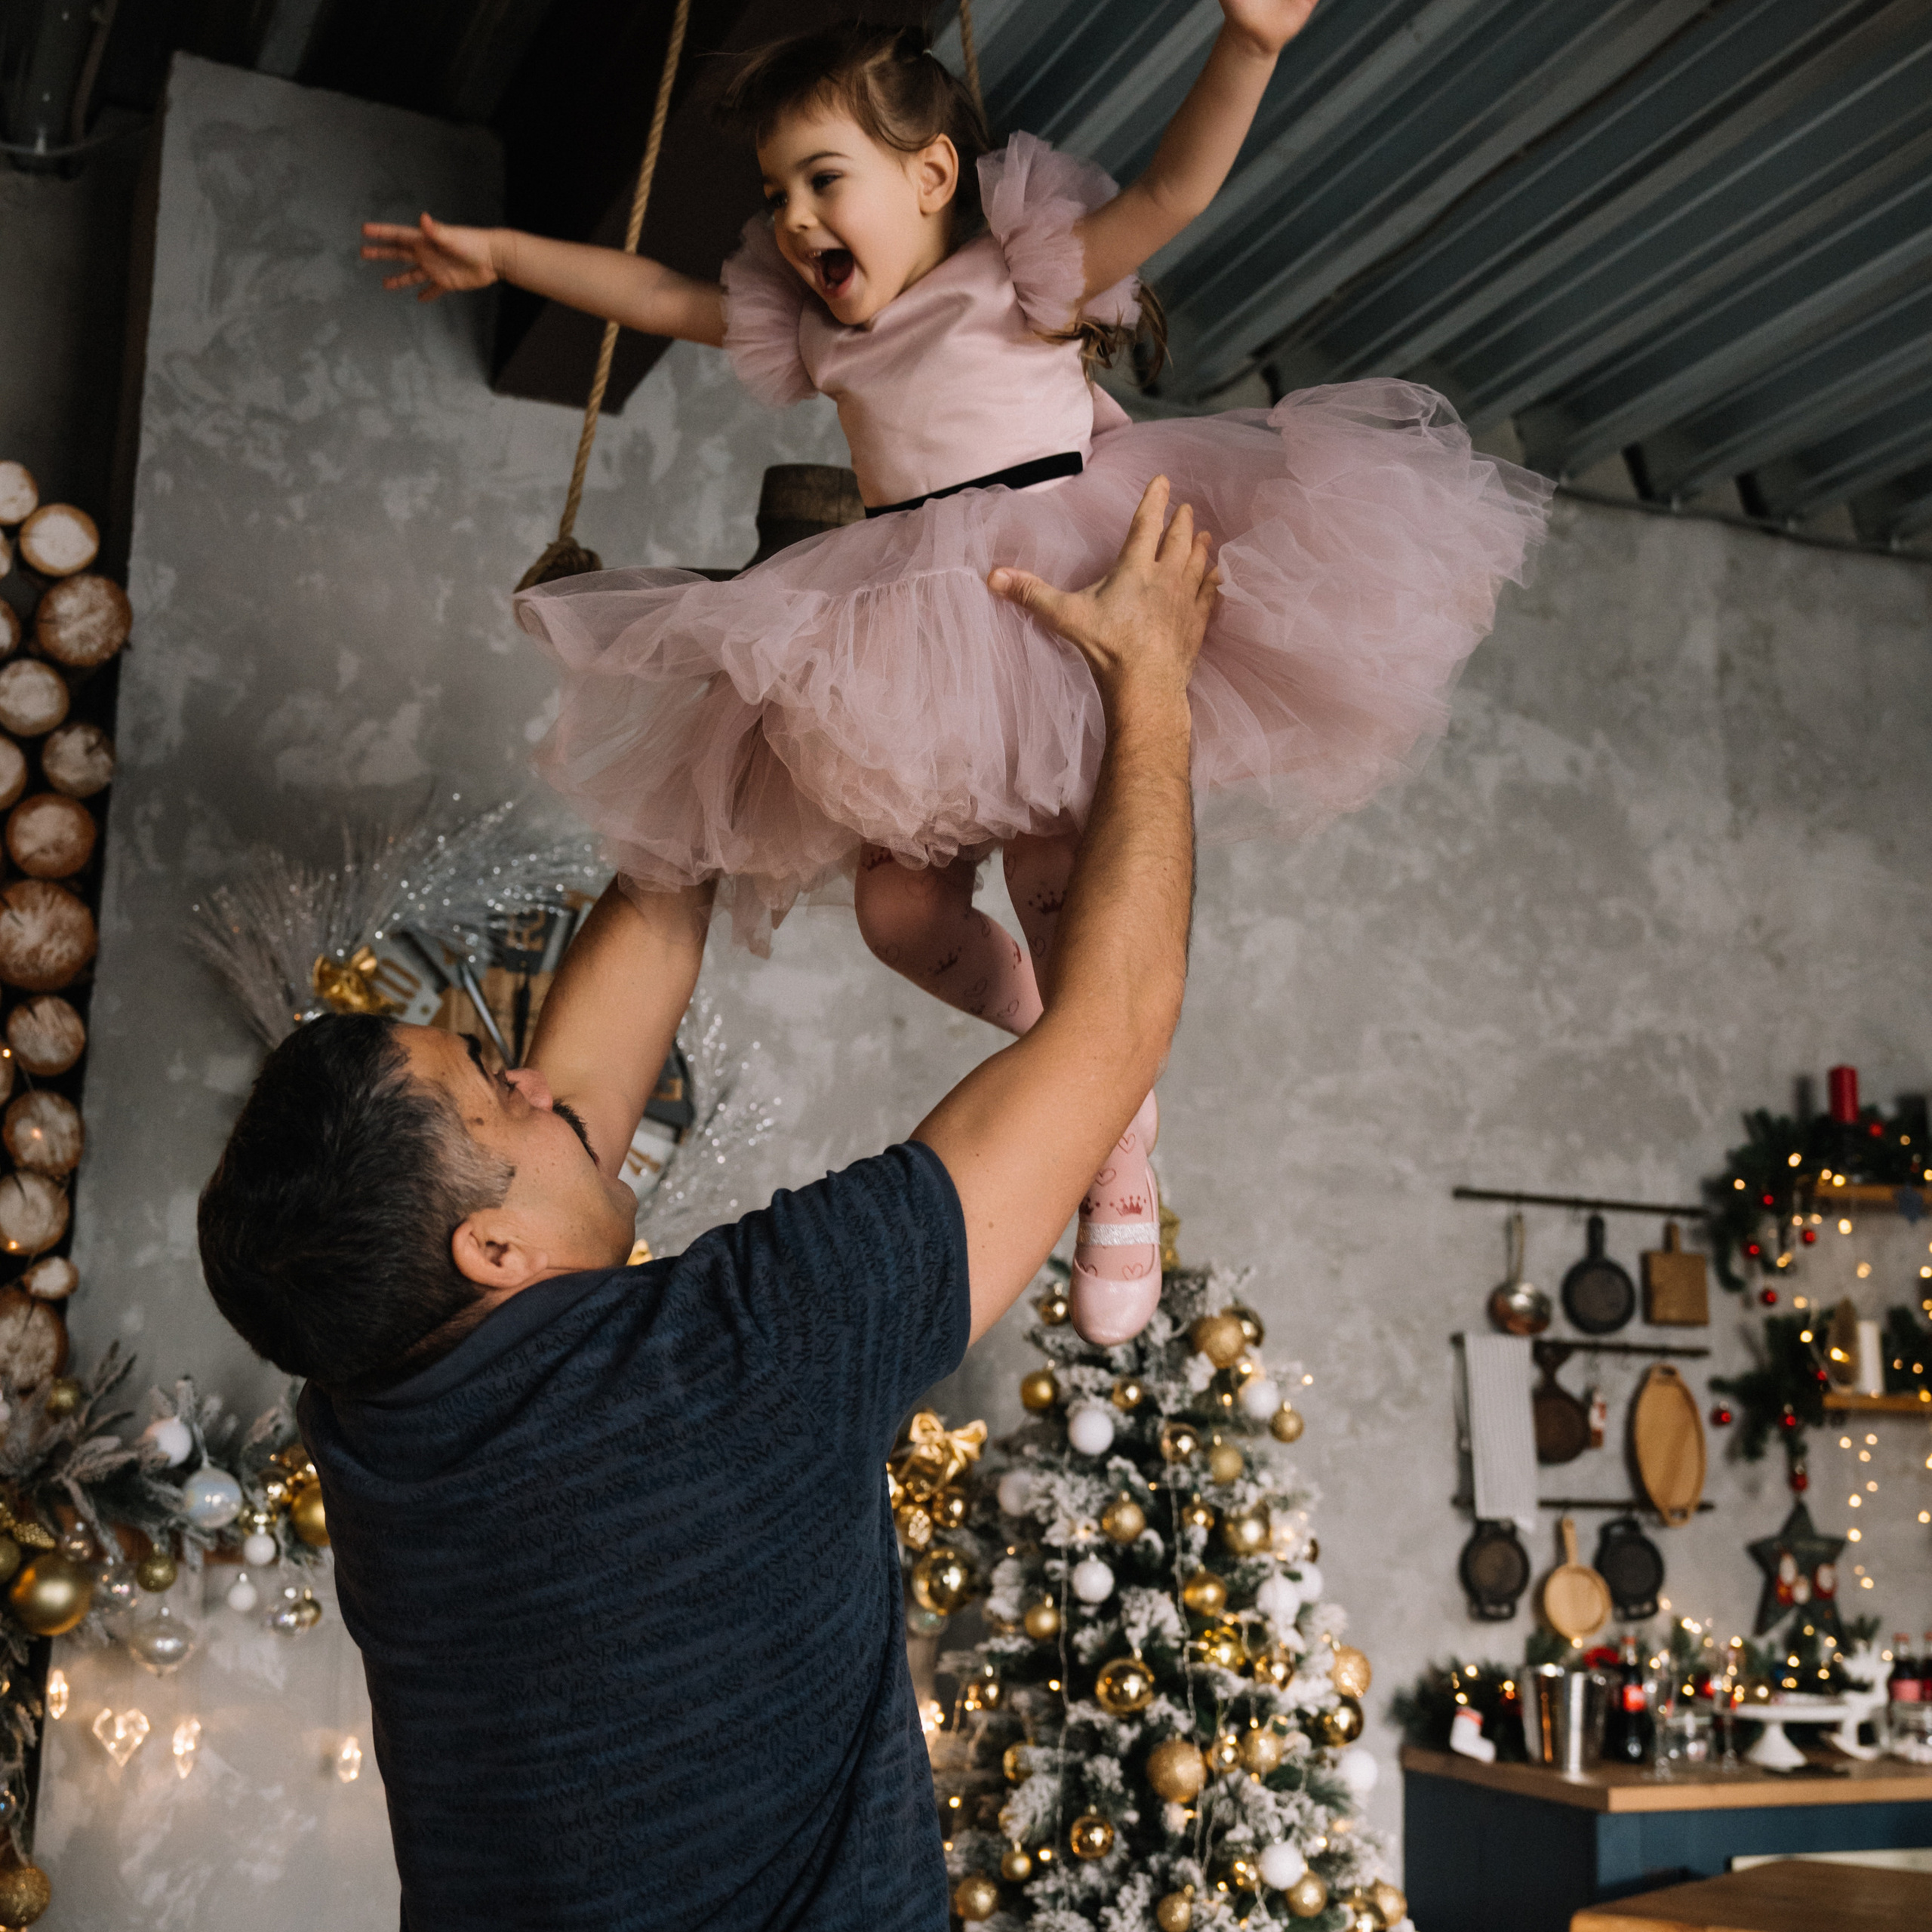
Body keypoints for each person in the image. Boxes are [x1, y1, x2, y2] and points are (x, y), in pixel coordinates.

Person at [361, 5, 1551, 1343]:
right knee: (895, 916)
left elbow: (1171, 192)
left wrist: (1251, 50)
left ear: (933, 174)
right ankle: (1084, 1064)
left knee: (1051, 885)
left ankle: (1112, 1147)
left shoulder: (1022, 282)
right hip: (905, 631)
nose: (795, 220)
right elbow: (660, 296)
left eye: (825, 180)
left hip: (1055, 599)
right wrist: (503, 252)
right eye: (776, 193)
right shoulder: (822, 336)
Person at [197, 480, 1214, 1932]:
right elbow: (1112, 1027)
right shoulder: (740, 1361)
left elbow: (639, 953)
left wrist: (770, 649)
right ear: (490, 1249)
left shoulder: (380, 1413)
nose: (539, 1083)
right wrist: (1151, 680)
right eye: (499, 1092)